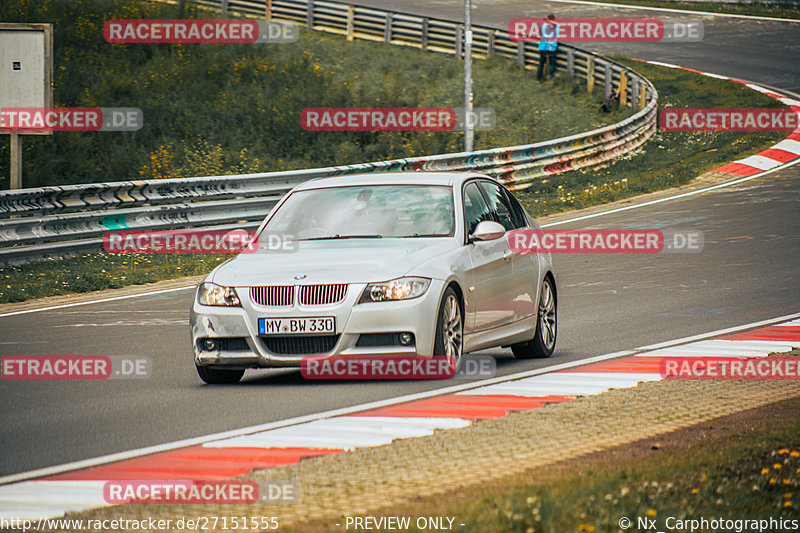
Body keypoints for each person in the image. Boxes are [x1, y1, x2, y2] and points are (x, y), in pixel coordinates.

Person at [537, 14, 559, 82]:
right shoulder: (556, 25)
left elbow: (540, 33)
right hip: (552, 46)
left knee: (541, 63)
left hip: (543, 46)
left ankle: (539, 78)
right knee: (552, 63)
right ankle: (551, 78)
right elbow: (557, 35)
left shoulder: (543, 24)